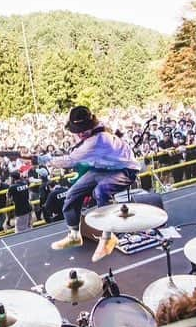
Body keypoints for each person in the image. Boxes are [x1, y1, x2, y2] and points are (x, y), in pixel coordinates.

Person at [50, 106, 142, 262]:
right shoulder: (92, 134)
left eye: (82, 130)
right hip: (103, 168)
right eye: (77, 131)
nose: (79, 134)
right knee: (72, 194)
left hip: (126, 170)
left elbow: (69, 161)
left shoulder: (97, 140)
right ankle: (74, 235)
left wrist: (43, 160)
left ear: (90, 126)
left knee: (101, 191)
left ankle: (108, 237)